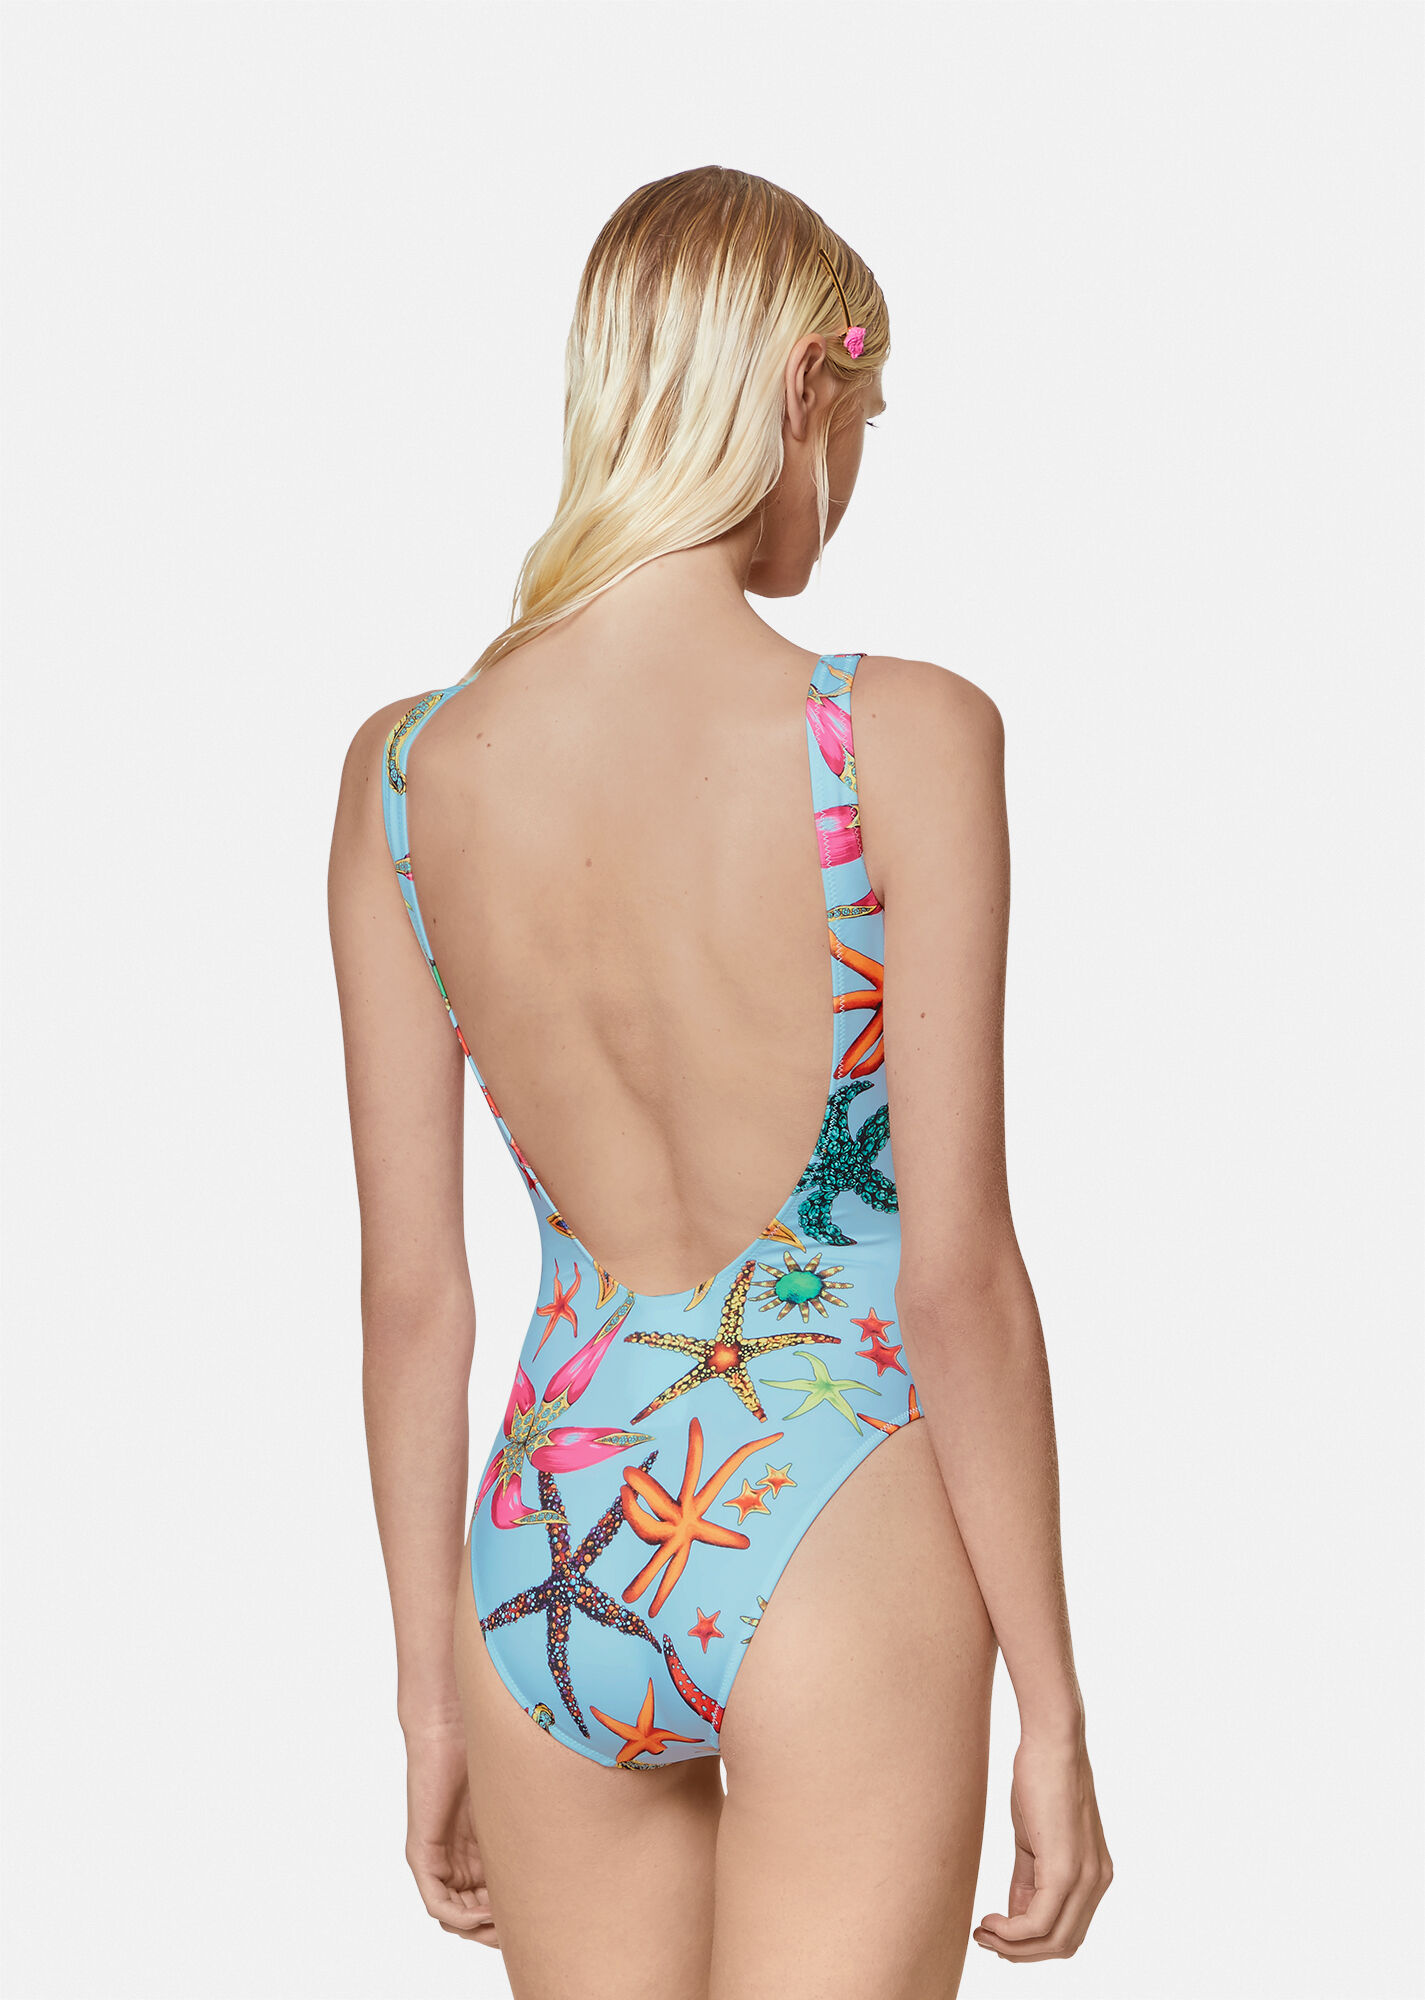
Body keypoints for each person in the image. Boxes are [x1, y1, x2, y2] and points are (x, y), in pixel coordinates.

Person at [328, 164, 1111, 2000]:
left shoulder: (403, 773)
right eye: (864, 422)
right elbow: (957, 1274)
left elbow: (413, 1292)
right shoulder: (900, 735)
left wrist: (430, 1695)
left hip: (550, 1534)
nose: (854, 475)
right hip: (832, 1511)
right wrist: (1057, 1704)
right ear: (800, 393)